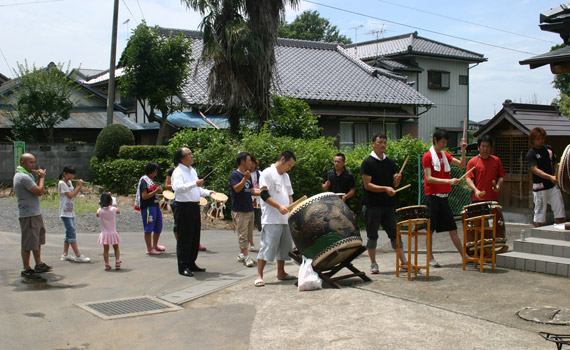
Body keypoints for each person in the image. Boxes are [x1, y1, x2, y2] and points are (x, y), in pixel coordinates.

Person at [361, 134, 409, 274]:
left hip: (388, 205)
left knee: (395, 234)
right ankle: (373, 263)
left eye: (384, 142)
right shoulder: (368, 163)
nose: (382, 145)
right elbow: (367, 185)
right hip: (372, 205)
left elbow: (394, 185)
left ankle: (404, 262)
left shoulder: (390, 162)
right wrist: (385, 188)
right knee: (372, 236)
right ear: (373, 144)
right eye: (379, 142)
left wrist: (397, 180)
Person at [422, 128, 467, 267]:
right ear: (435, 140)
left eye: (446, 143)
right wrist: (449, 181)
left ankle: (464, 255)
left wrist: (463, 150)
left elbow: (462, 164)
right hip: (432, 198)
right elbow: (429, 178)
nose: (444, 145)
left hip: (443, 198)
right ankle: (430, 258)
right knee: (430, 230)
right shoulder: (427, 157)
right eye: (442, 142)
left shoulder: (445, 155)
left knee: (453, 228)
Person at [255, 151, 297, 287]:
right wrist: (279, 206)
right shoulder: (267, 173)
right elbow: (263, 194)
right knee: (267, 247)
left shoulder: (286, 176)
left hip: (285, 218)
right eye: (289, 165)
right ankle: (259, 275)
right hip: (271, 218)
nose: (289, 168)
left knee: (284, 248)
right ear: (283, 159)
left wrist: (291, 207)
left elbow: (290, 194)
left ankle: (281, 272)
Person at [172, 147, 214, 277]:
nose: (192, 156)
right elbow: (178, 189)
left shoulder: (192, 171)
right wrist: (195, 184)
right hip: (183, 207)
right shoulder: (178, 172)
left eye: (191, 153)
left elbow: (197, 190)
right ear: (182, 158)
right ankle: (183, 265)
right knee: (185, 237)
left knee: (195, 236)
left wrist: (209, 192)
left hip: (194, 206)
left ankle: (191, 262)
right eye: (189, 154)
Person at [14, 153, 52, 279]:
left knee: (36, 241)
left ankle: (39, 264)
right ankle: (26, 268)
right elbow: (39, 191)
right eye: (31, 162)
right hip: (28, 214)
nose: (33, 165)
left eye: (34, 162)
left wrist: (37, 179)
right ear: (22, 163)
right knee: (28, 243)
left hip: (34, 213)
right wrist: (41, 178)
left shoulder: (27, 175)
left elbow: (34, 189)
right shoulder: (22, 177)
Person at [526, 127, 566, 227]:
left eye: (542, 138)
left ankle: (560, 233)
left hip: (552, 185)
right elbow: (535, 169)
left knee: (559, 210)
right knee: (539, 214)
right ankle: (537, 235)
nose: (541, 141)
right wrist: (550, 177)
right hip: (540, 187)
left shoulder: (549, 149)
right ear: (533, 140)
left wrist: (556, 175)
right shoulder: (531, 153)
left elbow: (555, 163)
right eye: (538, 139)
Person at [230, 152, 260, 267]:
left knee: (248, 234)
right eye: (248, 160)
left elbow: (252, 190)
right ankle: (246, 256)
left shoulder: (248, 175)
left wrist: (264, 192)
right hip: (240, 209)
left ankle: (242, 254)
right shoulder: (235, 175)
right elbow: (237, 189)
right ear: (242, 162)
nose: (251, 163)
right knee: (242, 234)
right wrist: (245, 178)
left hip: (249, 208)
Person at [58, 166, 90, 263]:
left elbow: (73, 195)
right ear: (64, 174)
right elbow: (70, 195)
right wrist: (78, 187)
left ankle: (65, 254)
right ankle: (78, 255)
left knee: (68, 233)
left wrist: (78, 187)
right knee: (71, 232)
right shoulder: (61, 183)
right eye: (70, 174)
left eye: (73, 174)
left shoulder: (70, 182)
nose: (72, 176)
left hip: (71, 211)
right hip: (65, 212)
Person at [135, 162, 164, 255]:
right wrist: (156, 191)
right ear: (152, 171)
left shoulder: (150, 180)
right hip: (148, 207)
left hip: (155, 205)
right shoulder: (144, 181)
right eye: (155, 171)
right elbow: (144, 196)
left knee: (158, 225)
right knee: (149, 227)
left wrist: (161, 195)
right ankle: (149, 248)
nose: (156, 173)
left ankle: (155, 245)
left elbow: (152, 194)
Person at [465, 135, 505, 203]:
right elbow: (468, 179)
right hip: (478, 199)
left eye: (488, 146)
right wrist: (475, 190)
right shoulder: (472, 161)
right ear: (478, 147)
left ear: (491, 148)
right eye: (483, 146)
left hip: (493, 199)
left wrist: (498, 185)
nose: (485, 149)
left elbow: (502, 176)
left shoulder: (496, 160)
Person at [96, 192, 121, 271]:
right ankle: (117, 262)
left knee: (106, 250)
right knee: (116, 248)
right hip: (113, 232)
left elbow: (97, 214)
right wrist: (113, 204)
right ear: (111, 201)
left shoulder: (100, 210)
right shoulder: (113, 209)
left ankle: (107, 264)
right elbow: (118, 211)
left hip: (104, 233)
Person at [249, 154, 262, 247]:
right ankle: (251, 242)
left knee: (260, 220)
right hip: (248, 200)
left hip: (258, 201)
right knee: (249, 223)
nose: (251, 165)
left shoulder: (260, 174)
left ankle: (263, 242)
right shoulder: (244, 174)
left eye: (253, 162)